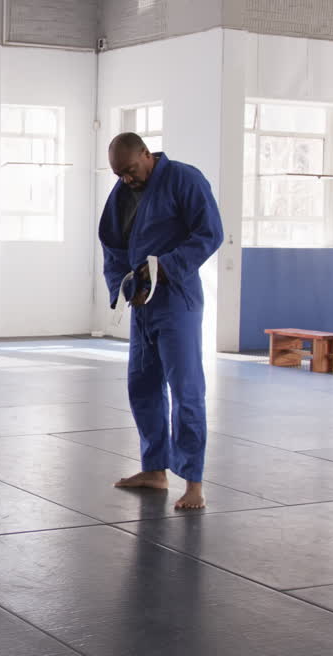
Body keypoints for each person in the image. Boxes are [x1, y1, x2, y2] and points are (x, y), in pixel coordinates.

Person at [99, 132, 223, 510]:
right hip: (142, 303)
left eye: (131, 170)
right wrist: (122, 287)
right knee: (143, 386)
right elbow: (112, 244)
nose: (126, 179)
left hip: (177, 301)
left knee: (186, 391)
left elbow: (210, 233)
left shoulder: (185, 179)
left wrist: (166, 268)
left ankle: (194, 483)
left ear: (147, 154)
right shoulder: (121, 193)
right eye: (119, 174)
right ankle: (154, 470)